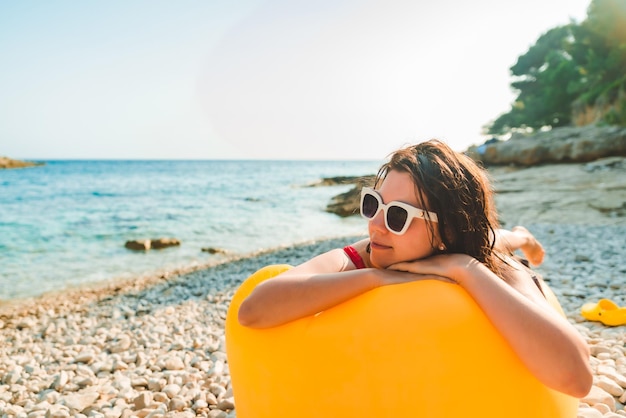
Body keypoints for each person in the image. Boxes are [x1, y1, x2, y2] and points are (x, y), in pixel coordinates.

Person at [238, 139, 592, 398]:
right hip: (448, 245)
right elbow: (253, 311)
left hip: (479, 243)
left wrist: (465, 268)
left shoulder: (487, 259)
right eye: (373, 203)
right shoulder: (363, 256)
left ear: (447, 231)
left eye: (397, 215)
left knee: (499, 239)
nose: (376, 225)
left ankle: (521, 236)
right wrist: (378, 276)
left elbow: (576, 378)